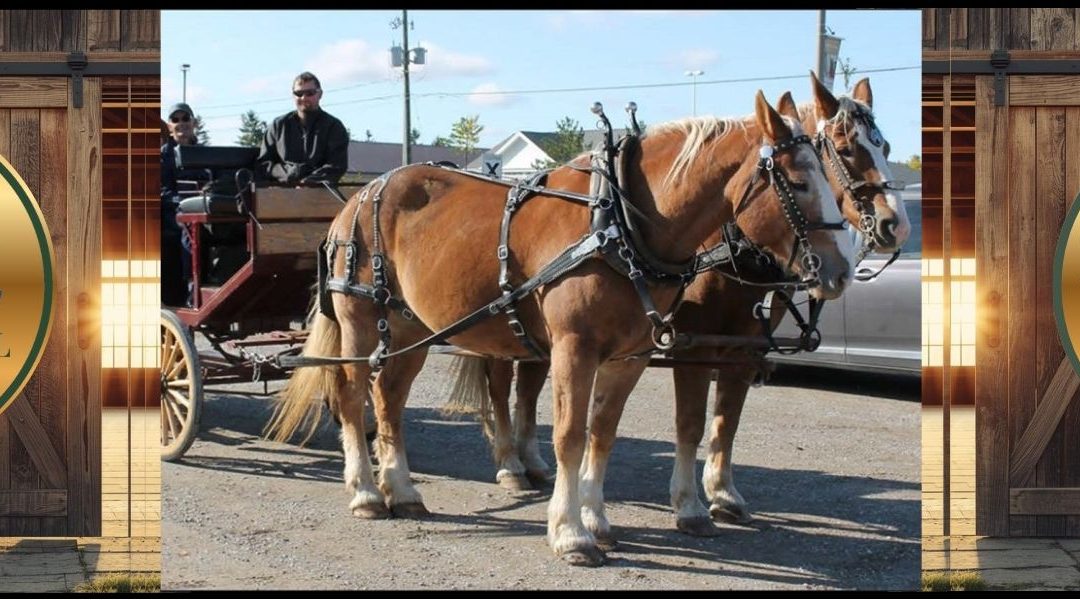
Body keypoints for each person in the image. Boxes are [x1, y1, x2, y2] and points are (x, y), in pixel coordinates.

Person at [256, 72, 349, 185]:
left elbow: (336, 165)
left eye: (310, 93)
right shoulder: (278, 126)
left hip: (320, 192)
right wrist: (290, 174)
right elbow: (265, 164)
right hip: (280, 191)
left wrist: (308, 182)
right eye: (299, 93)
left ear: (320, 94)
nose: (304, 98)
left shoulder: (333, 127)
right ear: (293, 95)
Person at [160, 102, 205, 306]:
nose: (181, 123)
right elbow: (163, 192)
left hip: (205, 209)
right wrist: (185, 201)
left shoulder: (207, 154)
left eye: (185, 118)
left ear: (193, 123)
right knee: (190, 226)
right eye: (175, 119)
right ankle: (191, 285)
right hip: (173, 214)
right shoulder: (162, 156)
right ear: (169, 126)